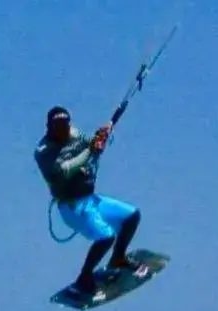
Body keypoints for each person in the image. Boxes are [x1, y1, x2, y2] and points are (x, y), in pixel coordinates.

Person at [34, 106, 145, 297]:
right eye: (57, 127)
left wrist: (100, 138)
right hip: (72, 207)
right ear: (49, 128)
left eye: (65, 126)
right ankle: (83, 280)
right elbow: (64, 170)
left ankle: (118, 259)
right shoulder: (43, 151)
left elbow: (90, 144)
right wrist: (90, 151)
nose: (63, 130)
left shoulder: (74, 133)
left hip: (91, 200)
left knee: (132, 215)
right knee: (106, 236)